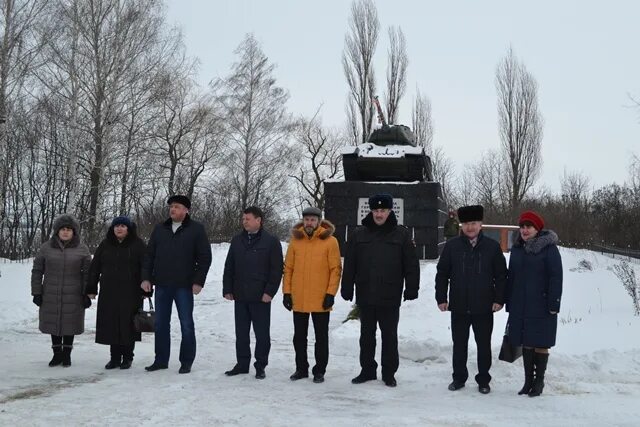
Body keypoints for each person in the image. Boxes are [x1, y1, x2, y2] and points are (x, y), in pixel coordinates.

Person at [341, 194, 420, 387]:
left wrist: (411, 288)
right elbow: (350, 262)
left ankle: (388, 372)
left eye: (382, 210)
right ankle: (367, 370)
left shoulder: (401, 234)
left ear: (389, 211)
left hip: (390, 295)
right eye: (375, 210)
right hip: (366, 293)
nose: (379, 214)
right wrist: (347, 286)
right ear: (371, 211)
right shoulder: (359, 234)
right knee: (366, 336)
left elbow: (411, 264)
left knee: (389, 336)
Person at [435, 205, 507, 394]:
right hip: (459, 305)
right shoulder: (452, 246)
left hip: (484, 306)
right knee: (459, 345)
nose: (470, 227)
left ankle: (484, 380)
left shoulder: (492, 247)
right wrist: (441, 297)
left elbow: (501, 275)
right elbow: (442, 274)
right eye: (466, 223)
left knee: (483, 345)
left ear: (481, 224)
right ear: (461, 225)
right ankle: (458, 378)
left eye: (473, 223)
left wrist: (499, 299)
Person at [141, 195, 212, 374]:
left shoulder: (196, 229)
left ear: (186, 210)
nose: (173, 209)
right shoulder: (160, 229)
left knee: (186, 323)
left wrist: (198, 281)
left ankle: (186, 361)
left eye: (177, 206)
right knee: (161, 324)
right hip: (163, 284)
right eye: (171, 206)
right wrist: (146, 278)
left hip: (184, 285)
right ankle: (161, 359)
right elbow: (149, 256)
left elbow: (204, 258)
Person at [505, 210, 562, 397]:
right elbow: (511, 276)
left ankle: (539, 381)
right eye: (522, 226)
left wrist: (554, 303)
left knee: (540, 342)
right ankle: (528, 380)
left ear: (537, 228)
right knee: (526, 342)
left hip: (543, 303)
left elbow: (556, 277)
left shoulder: (549, 249)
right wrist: (508, 300)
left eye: (528, 227)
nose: (524, 230)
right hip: (521, 303)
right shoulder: (517, 249)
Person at [223, 206, 283, 380]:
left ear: (259, 220)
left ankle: (260, 365)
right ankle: (242, 364)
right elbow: (229, 266)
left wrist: (270, 292)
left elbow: (276, 269)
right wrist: (227, 289)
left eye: (248, 219)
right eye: (243, 219)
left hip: (260, 296)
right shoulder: (237, 240)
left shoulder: (271, 241)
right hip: (240, 294)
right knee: (241, 333)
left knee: (262, 334)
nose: (244, 222)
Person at [283, 207, 342, 383]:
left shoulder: (330, 242)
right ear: (303, 221)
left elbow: (335, 270)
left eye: (312, 220)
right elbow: (288, 269)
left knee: (321, 337)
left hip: (320, 298)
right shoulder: (295, 241)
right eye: (306, 219)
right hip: (299, 297)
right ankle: (301, 368)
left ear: (319, 222)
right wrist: (287, 293)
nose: (309, 223)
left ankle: (319, 370)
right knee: (299, 337)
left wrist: (330, 293)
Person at [87, 216, 148, 370]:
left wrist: (146, 288)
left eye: (122, 226)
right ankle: (114, 358)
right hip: (109, 291)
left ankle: (127, 357)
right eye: (116, 226)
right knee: (111, 324)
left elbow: (146, 267)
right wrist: (91, 288)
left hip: (131, 292)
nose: (119, 229)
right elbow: (95, 268)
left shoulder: (137, 244)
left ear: (128, 229)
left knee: (128, 325)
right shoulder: (106, 244)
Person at [31, 214, 92, 367]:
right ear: (57, 231)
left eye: (69, 230)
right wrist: (36, 292)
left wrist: (87, 293)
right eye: (63, 229)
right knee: (54, 323)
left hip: (74, 293)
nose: (65, 232)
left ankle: (67, 355)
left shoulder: (82, 249)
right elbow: (37, 271)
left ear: (74, 232)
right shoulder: (46, 248)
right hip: (50, 292)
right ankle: (56, 354)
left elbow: (88, 274)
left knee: (69, 323)